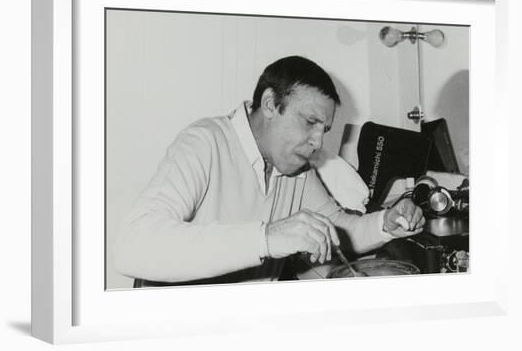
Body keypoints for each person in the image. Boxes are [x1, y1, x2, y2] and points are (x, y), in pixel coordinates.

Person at [113, 55, 425, 285]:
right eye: (310, 122)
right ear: (270, 104)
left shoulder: (295, 169)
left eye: (324, 129)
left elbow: (336, 228)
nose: (317, 142)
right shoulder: (205, 141)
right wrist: (267, 238)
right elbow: (132, 247)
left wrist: (387, 224)